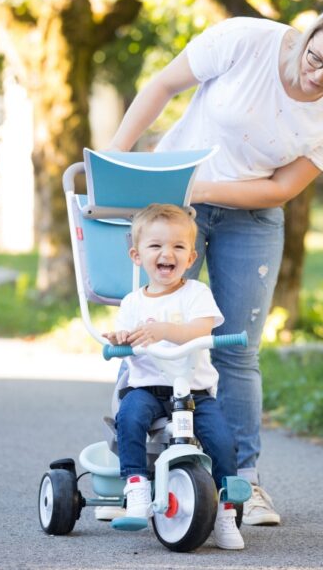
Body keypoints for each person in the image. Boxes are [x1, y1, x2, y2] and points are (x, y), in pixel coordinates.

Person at [107, 1, 323, 526]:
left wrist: (204, 189)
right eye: (316, 59)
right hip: (175, 205)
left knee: (236, 349)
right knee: (149, 329)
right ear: (310, 33)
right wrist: (116, 161)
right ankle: (136, 472)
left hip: (251, 215)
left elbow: (281, 187)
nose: (318, 77)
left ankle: (244, 482)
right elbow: (163, 85)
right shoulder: (244, 40)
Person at [103, 203, 245, 550]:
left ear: (191, 257)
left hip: (194, 392)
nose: (167, 253)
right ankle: (136, 485)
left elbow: (202, 328)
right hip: (148, 388)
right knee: (129, 417)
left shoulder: (196, 293)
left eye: (178, 246)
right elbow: (125, 336)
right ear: (137, 256)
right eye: (156, 246)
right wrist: (120, 338)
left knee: (222, 441)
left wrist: (165, 330)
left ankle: (225, 511)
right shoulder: (133, 303)